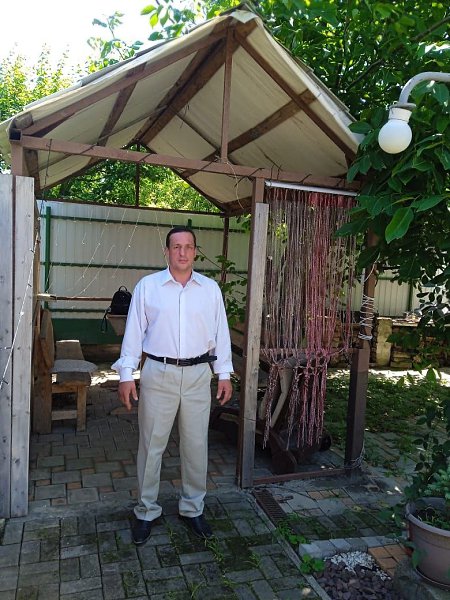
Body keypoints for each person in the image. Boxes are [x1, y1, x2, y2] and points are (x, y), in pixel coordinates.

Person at [112, 225, 233, 545]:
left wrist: (223, 373)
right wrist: (126, 375)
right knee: (151, 445)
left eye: (188, 246)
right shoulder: (148, 287)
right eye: (176, 246)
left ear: (195, 252)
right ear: (166, 251)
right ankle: (146, 511)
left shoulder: (209, 290)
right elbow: (133, 333)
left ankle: (192, 508)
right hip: (158, 373)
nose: (182, 252)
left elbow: (221, 333)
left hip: (197, 375)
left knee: (196, 445)